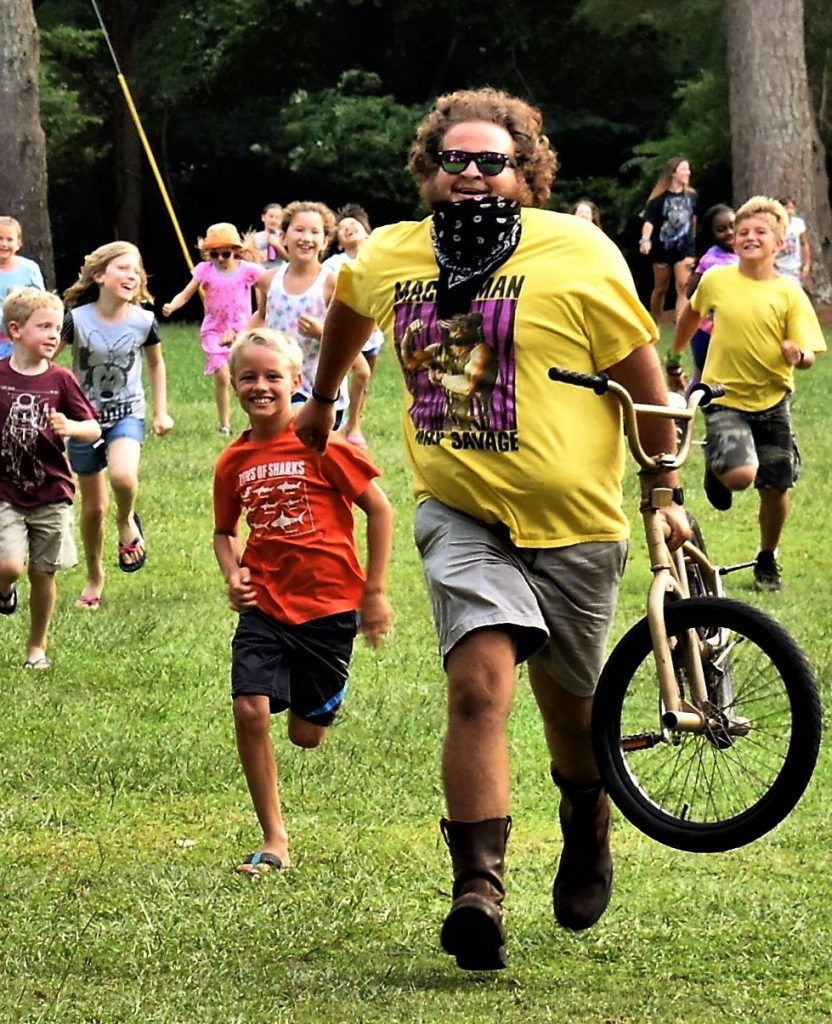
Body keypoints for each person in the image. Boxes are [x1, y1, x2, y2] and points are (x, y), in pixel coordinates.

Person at [294, 86, 688, 971]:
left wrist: (664, 482)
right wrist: (321, 400)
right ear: (432, 169)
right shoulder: (393, 253)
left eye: (492, 161)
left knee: (571, 712)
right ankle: (479, 890)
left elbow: (643, 372)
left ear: (526, 171)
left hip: (576, 522)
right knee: (478, 687)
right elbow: (351, 307)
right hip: (461, 510)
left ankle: (586, 814)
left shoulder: (578, 250)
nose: (472, 174)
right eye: (455, 160)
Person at [214, 326, 393, 875]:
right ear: (233, 383)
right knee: (250, 708)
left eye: (273, 376)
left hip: (330, 607)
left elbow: (380, 510)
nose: (261, 386)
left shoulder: (324, 443)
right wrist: (233, 574)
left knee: (306, 736)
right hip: (266, 603)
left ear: (297, 381)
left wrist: (375, 592)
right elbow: (225, 532)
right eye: (249, 377)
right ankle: (275, 839)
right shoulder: (232, 461)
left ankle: (313, 698)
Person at [671, 195, 826, 592]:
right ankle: (720, 469)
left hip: (774, 401)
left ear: (780, 244)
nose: (749, 237)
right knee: (742, 475)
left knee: (776, 487)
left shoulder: (789, 293)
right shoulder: (717, 280)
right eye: (743, 232)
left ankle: (767, 555)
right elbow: (691, 313)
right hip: (723, 396)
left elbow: (808, 353)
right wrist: (675, 354)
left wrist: (799, 353)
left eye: (760, 232)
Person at [60, 241, 174, 608]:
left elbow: (155, 365)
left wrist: (160, 411)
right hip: (83, 422)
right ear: (99, 276)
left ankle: (127, 523)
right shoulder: (75, 321)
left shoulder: (144, 321)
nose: (132, 275)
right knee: (93, 510)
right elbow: (50, 361)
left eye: (136, 269)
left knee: (124, 477)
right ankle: (95, 576)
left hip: (127, 413)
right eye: (123, 268)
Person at [0, 288, 100, 668]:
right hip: (5, 488)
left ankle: (36, 647)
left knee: (44, 573)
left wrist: (72, 426)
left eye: (57, 328)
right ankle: (5, 590)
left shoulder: (61, 379)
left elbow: (92, 428)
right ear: (16, 330)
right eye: (43, 326)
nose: (53, 334)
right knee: (9, 565)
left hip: (52, 491)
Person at [250, 200, 365, 430]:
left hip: (321, 389)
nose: (306, 238)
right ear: (283, 237)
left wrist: (320, 332)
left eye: (315, 232)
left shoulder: (332, 283)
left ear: (325, 241)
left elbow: (348, 340)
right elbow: (262, 315)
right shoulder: (268, 281)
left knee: (305, 454)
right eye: (299, 230)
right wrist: (242, 339)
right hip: (280, 385)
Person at [162, 223, 264, 435]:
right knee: (222, 375)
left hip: (241, 332)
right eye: (214, 253)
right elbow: (186, 293)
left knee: (246, 377)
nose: (219, 258)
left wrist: (265, 311)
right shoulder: (205, 271)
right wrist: (172, 305)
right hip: (214, 332)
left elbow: (270, 282)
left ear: (235, 251)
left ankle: (255, 421)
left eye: (225, 253)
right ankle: (225, 424)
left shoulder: (247, 270)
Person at [323, 204, 384, 448]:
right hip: (346, 331)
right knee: (351, 374)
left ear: (367, 234)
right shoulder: (333, 265)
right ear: (338, 241)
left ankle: (354, 421)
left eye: (354, 226)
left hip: (373, 334)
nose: (348, 229)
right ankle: (344, 421)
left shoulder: (378, 261)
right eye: (343, 228)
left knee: (363, 380)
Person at [665, 203, 738, 395]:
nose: (729, 232)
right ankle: (685, 415)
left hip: (733, 332)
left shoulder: (744, 254)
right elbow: (691, 292)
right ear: (711, 233)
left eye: (733, 226)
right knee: (702, 377)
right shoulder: (711, 259)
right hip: (706, 332)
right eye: (721, 229)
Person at [639, 157, 698, 324]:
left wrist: (691, 240)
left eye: (688, 169)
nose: (688, 173)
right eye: (684, 169)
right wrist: (645, 240)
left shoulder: (692, 197)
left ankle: (681, 325)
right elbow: (649, 222)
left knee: (683, 287)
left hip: (685, 249)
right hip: (661, 249)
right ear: (673, 173)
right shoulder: (658, 200)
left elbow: (693, 219)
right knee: (660, 289)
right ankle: (654, 322)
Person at [0, 217, 46, 359]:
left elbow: (40, 302)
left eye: (9, 239)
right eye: (0, 239)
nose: (4, 244)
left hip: (21, 337)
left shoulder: (29, 269)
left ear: (19, 243)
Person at [776, 197, 811, 289]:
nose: (789, 211)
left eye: (792, 208)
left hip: (794, 267)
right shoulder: (774, 225)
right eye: (787, 208)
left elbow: (804, 243)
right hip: (778, 266)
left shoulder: (798, 223)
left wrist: (807, 265)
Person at [253, 204, 285, 269]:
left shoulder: (285, 237)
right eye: (271, 216)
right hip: (261, 274)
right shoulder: (254, 237)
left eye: (278, 217)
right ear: (263, 217)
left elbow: (290, 259)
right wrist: (257, 257)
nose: (274, 220)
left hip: (279, 274)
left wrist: (277, 245)